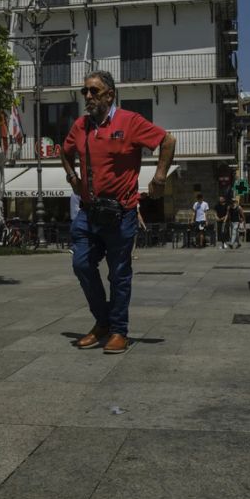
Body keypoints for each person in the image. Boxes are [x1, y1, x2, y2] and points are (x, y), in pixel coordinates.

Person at [61, 70, 176, 354]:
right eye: (85, 91)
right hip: (88, 213)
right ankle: (103, 322)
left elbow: (168, 140)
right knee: (81, 265)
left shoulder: (130, 121)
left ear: (110, 94)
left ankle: (118, 331)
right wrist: (72, 178)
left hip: (120, 212)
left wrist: (160, 176)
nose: (88, 96)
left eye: (94, 91)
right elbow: (63, 151)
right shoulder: (80, 126)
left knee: (119, 274)